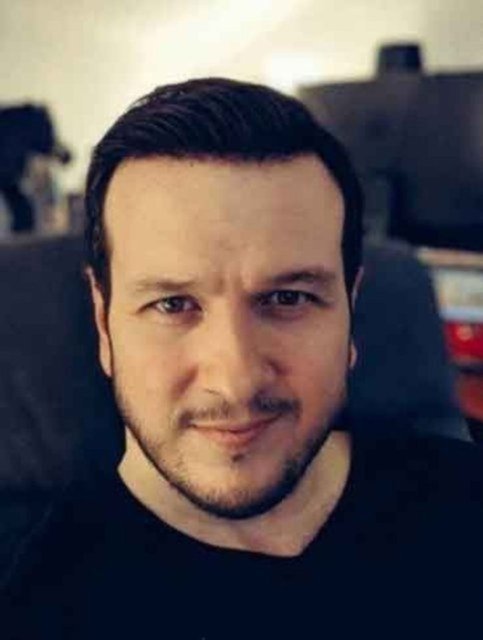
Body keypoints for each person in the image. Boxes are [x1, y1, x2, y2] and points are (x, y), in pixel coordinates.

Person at [2, 78, 483, 639]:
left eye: (288, 298)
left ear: (350, 310)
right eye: (172, 304)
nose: (236, 381)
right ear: (104, 322)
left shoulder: (464, 501)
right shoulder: (46, 610)